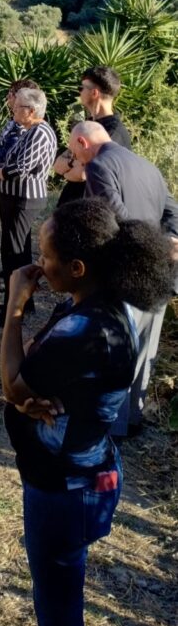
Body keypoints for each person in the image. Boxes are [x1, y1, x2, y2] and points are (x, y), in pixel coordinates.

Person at [0, 198, 175, 626]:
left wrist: (15, 305)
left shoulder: (85, 329)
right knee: (61, 602)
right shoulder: (104, 305)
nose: (39, 265)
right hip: (88, 473)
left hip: (63, 490)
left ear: (76, 267)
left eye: (46, 257)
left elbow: (13, 386)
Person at [69, 120, 178, 436]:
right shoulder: (146, 165)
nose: (76, 159)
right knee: (144, 350)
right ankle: (132, 418)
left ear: (82, 142)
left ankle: (110, 426)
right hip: (159, 270)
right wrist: (168, 242)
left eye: (74, 151)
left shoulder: (100, 166)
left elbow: (113, 218)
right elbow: (173, 211)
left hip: (127, 273)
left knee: (117, 348)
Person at [0, 88, 57, 327]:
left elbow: (21, 168)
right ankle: (22, 303)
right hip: (13, 198)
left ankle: (13, 308)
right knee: (15, 251)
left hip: (23, 199)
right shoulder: (30, 130)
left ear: (30, 111)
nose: (13, 109)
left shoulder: (40, 132)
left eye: (17, 107)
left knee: (14, 256)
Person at [54, 66, 132, 205]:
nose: (79, 92)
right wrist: (73, 163)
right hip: (71, 207)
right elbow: (58, 164)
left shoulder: (114, 133)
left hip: (90, 212)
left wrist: (70, 168)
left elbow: (82, 174)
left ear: (94, 93)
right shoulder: (88, 126)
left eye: (81, 88)